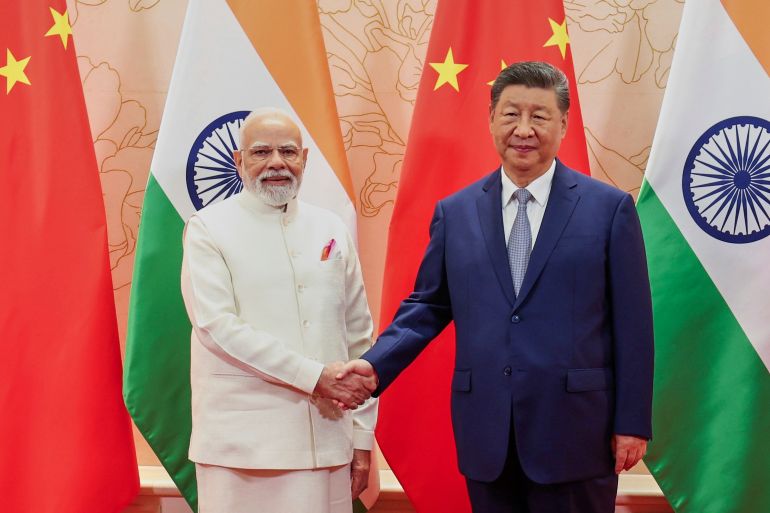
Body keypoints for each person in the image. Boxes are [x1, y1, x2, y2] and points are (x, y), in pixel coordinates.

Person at [339, 61, 654, 513]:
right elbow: (427, 306)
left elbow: (634, 326)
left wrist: (632, 422)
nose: (523, 129)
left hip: (577, 433)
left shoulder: (608, 210)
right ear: (491, 120)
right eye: (510, 114)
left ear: (563, 123)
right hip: (487, 433)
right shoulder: (456, 212)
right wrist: (375, 366)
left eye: (539, 116)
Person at [181, 107, 377, 513]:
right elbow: (216, 326)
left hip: (328, 442)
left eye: (287, 152)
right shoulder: (208, 228)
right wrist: (315, 377)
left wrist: (361, 438)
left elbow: (359, 336)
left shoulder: (331, 228)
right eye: (261, 152)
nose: (276, 163)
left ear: (304, 159)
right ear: (239, 161)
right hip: (241, 450)